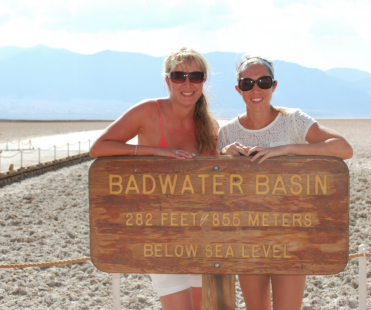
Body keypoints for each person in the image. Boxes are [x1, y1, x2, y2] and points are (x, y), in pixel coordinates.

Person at [216, 56, 353, 310]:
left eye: (263, 82)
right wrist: (224, 156)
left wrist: (286, 149)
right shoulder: (227, 133)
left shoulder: (294, 121)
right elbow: (217, 189)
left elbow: (344, 148)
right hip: (248, 236)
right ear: (238, 89)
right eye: (247, 83)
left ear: (274, 86)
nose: (255, 89)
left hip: (291, 233)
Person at [90, 47, 219, 310]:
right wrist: (156, 151)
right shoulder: (148, 112)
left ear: (204, 81)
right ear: (167, 80)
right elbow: (99, 147)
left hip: (203, 234)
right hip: (161, 236)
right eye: (178, 75)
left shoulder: (210, 125)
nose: (187, 83)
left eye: (195, 76)